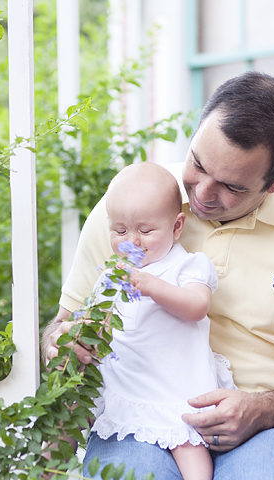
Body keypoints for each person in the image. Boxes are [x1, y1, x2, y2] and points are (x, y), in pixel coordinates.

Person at [42, 71, 274, 479]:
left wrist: (263, 410)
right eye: (197, 163)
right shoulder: (133, 206)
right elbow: (63, 325)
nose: (202, 193)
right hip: (140, 411)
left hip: (266, 427)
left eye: (231, 186)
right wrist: (58, 343)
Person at [87, 162, 235, 480]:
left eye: (145, 230)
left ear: (177, 226)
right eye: (120, 230)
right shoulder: (112, 275)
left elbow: (196, 306)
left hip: (178, 385)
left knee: (189, 447)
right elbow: (98, 323)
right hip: (129, 386)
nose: (133, 242)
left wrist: (151, 286)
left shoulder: (187, 266)